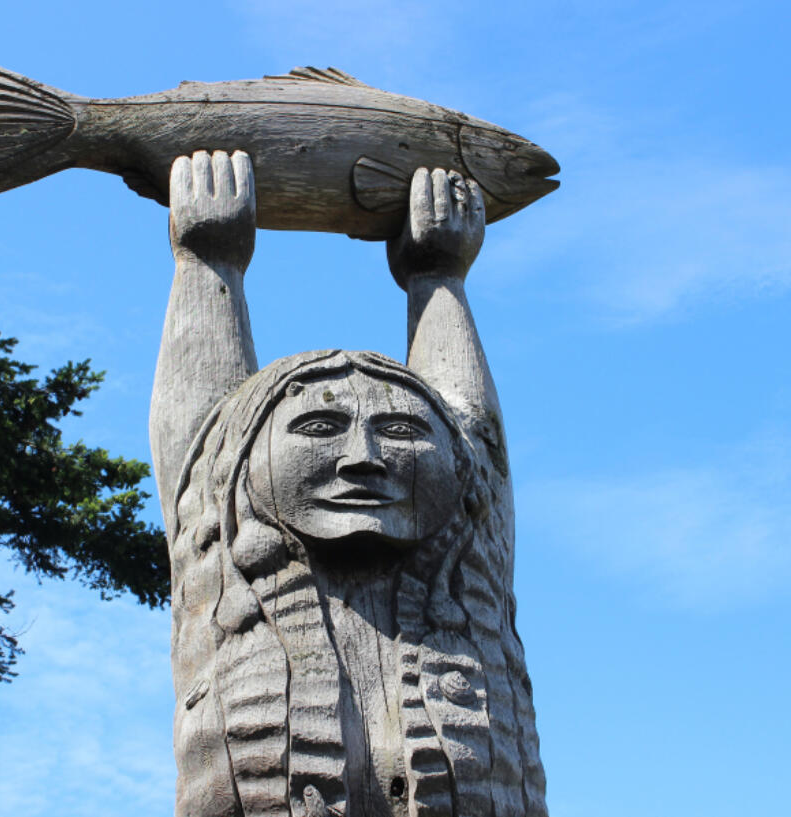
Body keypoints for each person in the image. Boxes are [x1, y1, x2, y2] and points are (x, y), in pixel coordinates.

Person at [151, 151, 546, 817]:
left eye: (400, 431)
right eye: (318, 426)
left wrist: (440, 276)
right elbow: (200, 432)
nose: (363, 457)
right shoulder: (216, 540)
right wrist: (207, 258)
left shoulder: (473, 555)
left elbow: (476, 433)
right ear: (242, 457)